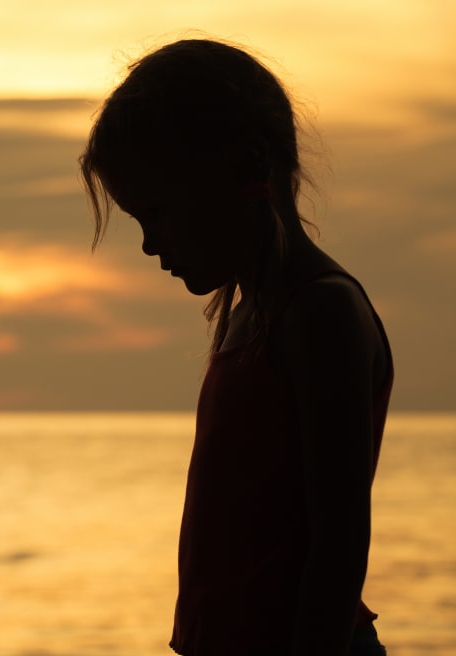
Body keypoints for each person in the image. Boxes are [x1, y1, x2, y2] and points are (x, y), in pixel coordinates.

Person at [78, 39, 393, 656]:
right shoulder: (248, 317)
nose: (148, 246)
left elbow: (338, 544)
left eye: (158, 214)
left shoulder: (319, 313)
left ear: (248, 169)